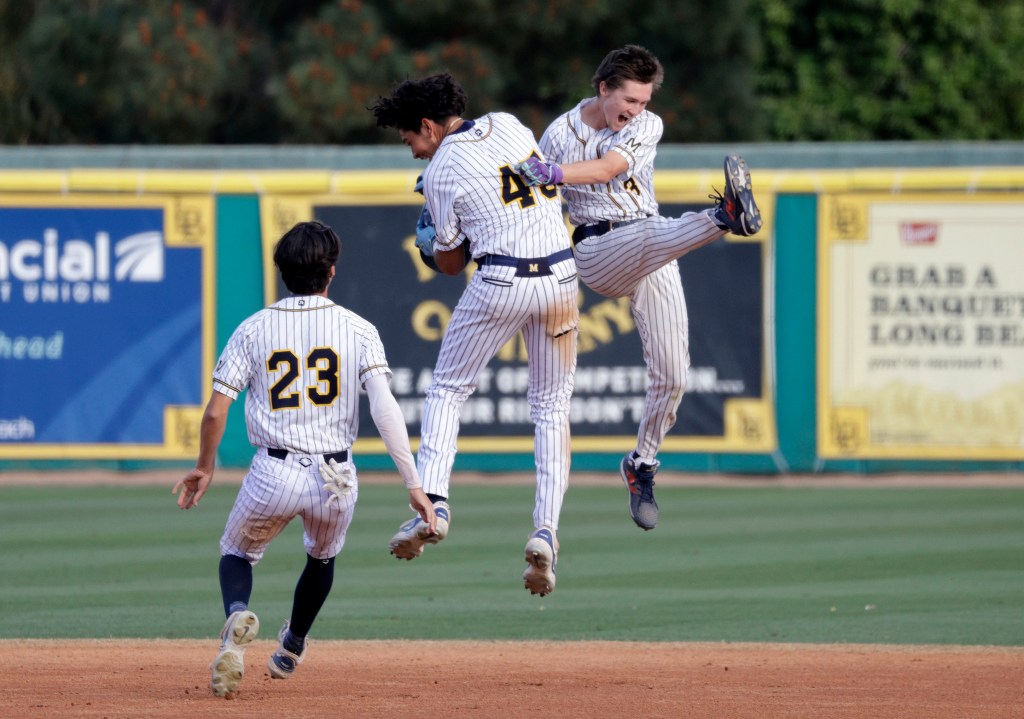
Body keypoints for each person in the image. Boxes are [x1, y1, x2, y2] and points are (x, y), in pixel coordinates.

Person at [172, 220, 436, 699]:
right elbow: (384, 408)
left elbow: (215, 411)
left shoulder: (254, 328)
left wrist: (205, 467)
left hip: (274, 471)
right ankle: (292, 646)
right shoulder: (359, 329)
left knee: (237, 553)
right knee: (322, 556)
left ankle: (236, 618)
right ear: (331, 271)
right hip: (337, 477)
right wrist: (414, 484)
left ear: (282, 271)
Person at [515, 45, 762, 531]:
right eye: (629, 99)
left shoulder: (648, 125)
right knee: (653, 231)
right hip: (598, 249)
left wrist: (555, 174)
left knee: (673, 376)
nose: (637, 110)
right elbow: (532, 200)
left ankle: (642, 463)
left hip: (655, 245)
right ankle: (722, 217)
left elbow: (610, 167)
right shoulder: (558, 135)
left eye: (644, 101)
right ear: (603, 88)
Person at [370, 72, 579, 597]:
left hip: (502, 278)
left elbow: (450, 263)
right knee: (552, 408)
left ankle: (434, 505)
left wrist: (426, 243)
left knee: (448, 389)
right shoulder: (509, 123)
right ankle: (546, 530)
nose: (412, 150)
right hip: (560, 274)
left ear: (428, 126)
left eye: (410, 138)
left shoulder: (441, 168)